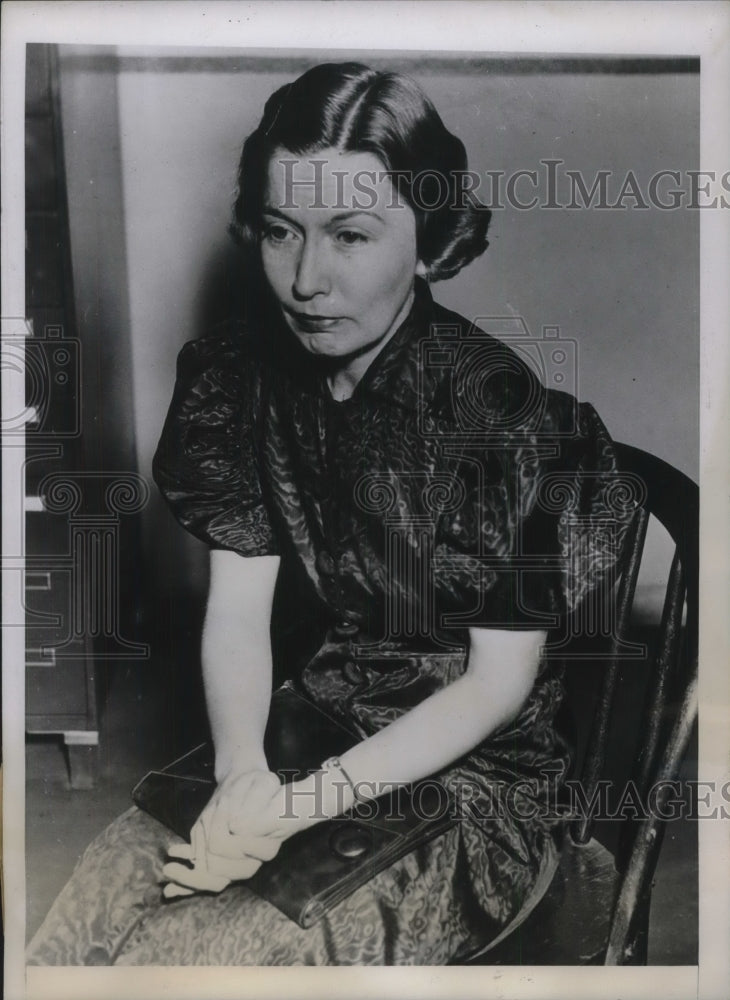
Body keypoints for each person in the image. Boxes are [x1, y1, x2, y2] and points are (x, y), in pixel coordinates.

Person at [27, 62, 633, 966]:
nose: (306, 278)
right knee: (84, 920)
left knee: (196, 956)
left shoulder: (497, 418)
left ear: (429, 240)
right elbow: (236, 613)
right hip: (307, 724)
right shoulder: (240, 382)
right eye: (281, 232)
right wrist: (242, 778)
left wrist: (294, 808)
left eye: (350, 235)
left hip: (475, 782)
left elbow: (495, 688)